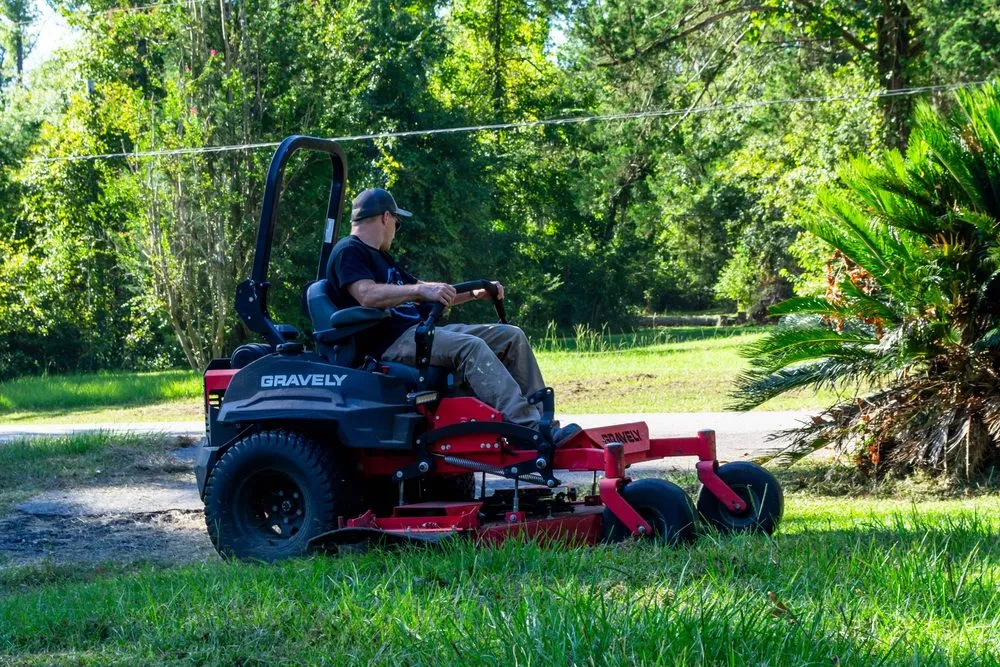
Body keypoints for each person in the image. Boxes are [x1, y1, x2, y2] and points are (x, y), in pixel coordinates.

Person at [326, 187, 580, 444]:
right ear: (385, 217)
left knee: (511, 336)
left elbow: (430, 293)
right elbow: (367, 294)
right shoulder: (349, 251)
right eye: (397, 222)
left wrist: (474, 293)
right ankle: (529, 430)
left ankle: (544, 424)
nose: (395, 229)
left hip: (419, 332)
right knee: (471, 347)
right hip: (389, 342)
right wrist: (420, 290)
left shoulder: (383, 258)